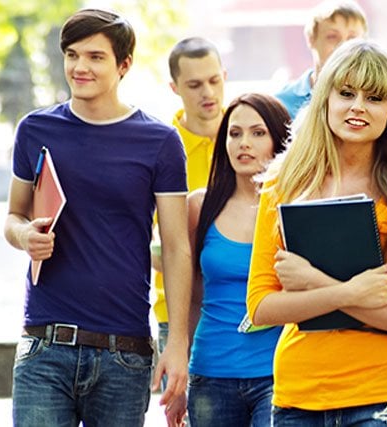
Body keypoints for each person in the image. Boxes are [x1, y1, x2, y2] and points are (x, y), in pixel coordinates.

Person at [246, 39, 387, 425]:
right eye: (346, 93)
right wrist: (351, 292)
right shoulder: (283, 183)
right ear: (325, 98)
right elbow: (261, 307)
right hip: (297, 395)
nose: (358, 106)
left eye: (374, 97)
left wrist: (311, 283)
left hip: (383, 396)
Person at [4, 8, 191, 425]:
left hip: (123, 354)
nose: (79, 67)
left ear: (123, 65)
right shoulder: (34, 130)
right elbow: (14, 216)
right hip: (44, 347)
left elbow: (177, 247)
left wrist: (177, 343)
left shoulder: (160, 141)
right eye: (72, 55)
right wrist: (24, 237)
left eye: (94, 56)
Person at [162, 93, 290, 427]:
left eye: (258, 133)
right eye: (235, 133)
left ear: (279, 139)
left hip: (277, 374)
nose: (243, 143)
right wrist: (180, 376)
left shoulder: (295, 208)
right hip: (210, 373)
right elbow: (190, 297)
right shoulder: (199, 207)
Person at [152, 36, 227, 380]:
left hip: (243, 307)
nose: (207, 93)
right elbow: (147, 243)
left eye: (214, 81)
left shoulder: (251, 136)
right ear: (174, 87)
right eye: (194, 85)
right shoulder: (160, 150)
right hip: (180, 315)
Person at [275, 0, 367, 118]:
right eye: (332, 37)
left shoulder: (374, 100)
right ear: (311, 39)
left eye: (352, 38)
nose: (344, 45)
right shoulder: (281, 103)